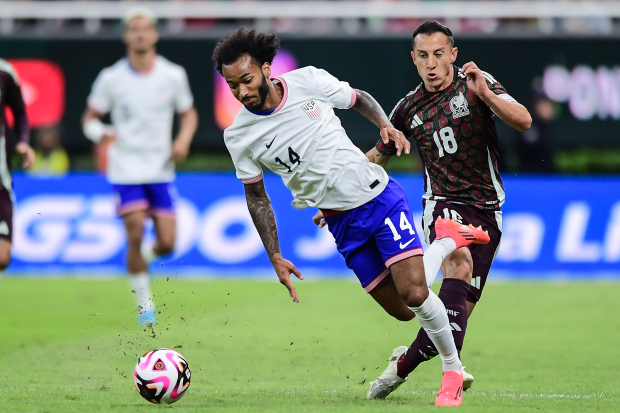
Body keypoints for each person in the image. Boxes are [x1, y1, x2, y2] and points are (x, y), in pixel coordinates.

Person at [214, 28, 491, 406]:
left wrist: (385, 125)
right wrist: (274, 255)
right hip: (340, 223)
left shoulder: (307, 80)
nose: (242, 92)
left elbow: (359, 98)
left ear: (265, 68)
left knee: (414, 292)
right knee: (403, 312)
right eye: (233, 86)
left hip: (378, 198)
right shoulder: (239, 136)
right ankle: (445, 241)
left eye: (247, 80)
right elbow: (257, 197)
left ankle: (452, 371)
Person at [365, 21, 532, 397]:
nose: (431, 63)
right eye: (423, 56)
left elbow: (523, 120)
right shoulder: (408, 108)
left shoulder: (476, 84)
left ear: (453, 55)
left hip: (488, 211)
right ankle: (451, 381)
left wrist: (486, 95)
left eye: (439, 54)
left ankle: (400, 365)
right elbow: (378, 155)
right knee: (458, 259)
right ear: (414, 59)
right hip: (442, 204)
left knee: (450, 324)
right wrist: (339, 194)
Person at [81, 8, 198, 326]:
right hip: (125, 168)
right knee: (134, 230)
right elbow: (89, 118)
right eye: (134, 29)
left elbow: (188, 114)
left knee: (166, 243)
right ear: (126, 35)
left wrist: (183, 140)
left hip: (160, 168)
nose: (141, 34)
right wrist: (99, 133)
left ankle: (140, 262)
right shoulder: (111, 78)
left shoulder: (172, 75)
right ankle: (145, 306)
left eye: (146, 29)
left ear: (155, 34)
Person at [0, 59, 36, 271]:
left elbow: (20, 112)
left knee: (3, 257)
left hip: (0, 181)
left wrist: (23, 141)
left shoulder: (5, 72)